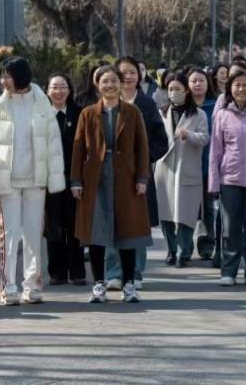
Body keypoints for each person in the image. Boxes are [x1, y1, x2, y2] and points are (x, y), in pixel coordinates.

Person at [0, 57, 65, 306]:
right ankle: (8, 287)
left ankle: (32, 285)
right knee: (9, 235)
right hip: (7, 182)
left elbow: (53, 143)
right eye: (2, 76)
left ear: (21, 76)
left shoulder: (42, 103)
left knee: (33, 236)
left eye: (8, 75)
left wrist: (55, 178)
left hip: (36, 180)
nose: (3, 81)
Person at [71, 65, 151, 304]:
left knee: (127, 232)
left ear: (121, 83)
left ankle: (129, 284)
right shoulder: (88, 114)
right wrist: (76, 180)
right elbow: (78, 149)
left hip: (126, 178)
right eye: (105, 81)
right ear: (97, 85)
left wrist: (142, 178)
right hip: (96, 178)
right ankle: (98, 284)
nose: (110, 85)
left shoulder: (132, 112)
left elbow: (142, 148)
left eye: (114, 80)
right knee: (96, 233)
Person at [105, 56, 167, 290]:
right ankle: (114, 272)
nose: (128, 76)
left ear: (139, 76)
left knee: (137, 223)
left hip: (138, 175)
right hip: (110, 174)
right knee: (111, 222)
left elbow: (161, 140)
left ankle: (135, 273)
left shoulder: (147, 104)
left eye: (132, 72)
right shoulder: (106, 103)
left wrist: (143, 160)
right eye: (123, 72)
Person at [210, 70, 246, 286]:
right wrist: (214, 183)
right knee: (230, 227)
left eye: (245, 85)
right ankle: (228, 271)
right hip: (229, 179)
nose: (241, 89)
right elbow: (215, 151)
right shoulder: (222, 115)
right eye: (237, 85)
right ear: (230, 89)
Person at [155, 72, 209, 268]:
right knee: (166, 214)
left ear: (186, 91)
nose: (173, 93)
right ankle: (172, 250)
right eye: (170, 89)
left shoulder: (199, 114)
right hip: (165, 168)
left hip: (188, 167)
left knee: (186, 214)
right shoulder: (161, 113)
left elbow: (205, 138)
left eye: (177, 89)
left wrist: (190, 135)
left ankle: (184, 252)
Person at [44, 73, 86, 286]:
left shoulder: (80, 114)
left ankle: (77, 271)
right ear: (47, 91)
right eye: (54, 87)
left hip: (74, 178)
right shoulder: (41, 115)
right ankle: (57, 272)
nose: (59, 91)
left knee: (74, 225)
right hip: (49, 179)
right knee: (53, 225)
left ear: (69, 90)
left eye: (63, 87)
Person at [189, 67, 220, 264]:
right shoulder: (183, 106)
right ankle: (184, 246)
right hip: (187, 165)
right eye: (193, 81)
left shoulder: (216, 106)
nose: (198, 84)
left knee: (208, 208)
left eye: (201, 80)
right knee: (187, 208)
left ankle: (207, 245)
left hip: (209, 163)